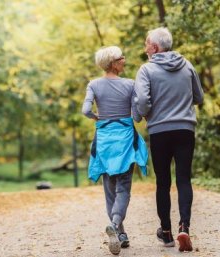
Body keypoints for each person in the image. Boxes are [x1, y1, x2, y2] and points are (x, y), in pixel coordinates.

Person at [134, 27, 204, 252]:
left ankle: (166, 233)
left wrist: (146, 114)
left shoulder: (146, 70)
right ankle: (184, 225)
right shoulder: (187, 65)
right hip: (185, 129)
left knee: (163, 182)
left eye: (147, 44)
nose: (145, 48)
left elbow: (143, 101)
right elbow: (199, 96)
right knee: (184, 179)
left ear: (154, 47)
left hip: (159, 131)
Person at [82, 46, 148, 255]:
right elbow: (137, 117)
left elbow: (85, 110)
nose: (124, 59)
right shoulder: (130, 84)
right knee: (124, 188)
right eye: (121, 57)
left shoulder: (93, 85)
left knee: (109, 188)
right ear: (113, 63)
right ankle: (116, 223)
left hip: (104, 140)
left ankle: (119, 233)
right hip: (125, 139)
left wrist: (98, 118)